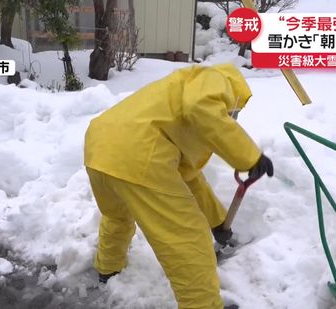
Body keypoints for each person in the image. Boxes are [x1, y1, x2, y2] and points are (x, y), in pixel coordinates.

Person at [84, 63, 274, 309]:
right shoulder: (216, 78)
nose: (231, 117)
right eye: (232, 112)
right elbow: (201, 107)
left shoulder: (173, 106)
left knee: (117, 215)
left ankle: (108, 269)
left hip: (99, 148)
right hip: (138, 151)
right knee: (187, 238)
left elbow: (190, 178)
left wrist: (217, 222)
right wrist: (249, 156)